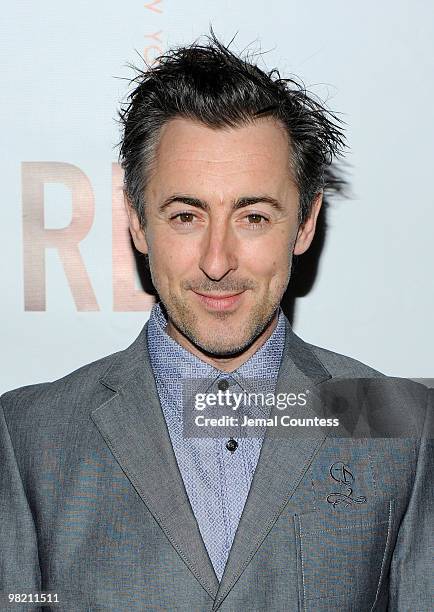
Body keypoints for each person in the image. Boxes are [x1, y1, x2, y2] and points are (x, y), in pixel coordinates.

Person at [1, 34, 432, 611]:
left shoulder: (400, 425)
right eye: (186, 215)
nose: (216, 260)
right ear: (136, 222)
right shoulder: (28, 436)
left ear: (305, 224)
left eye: (253, 216)